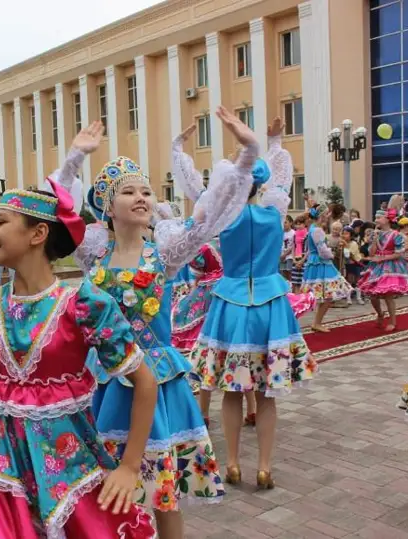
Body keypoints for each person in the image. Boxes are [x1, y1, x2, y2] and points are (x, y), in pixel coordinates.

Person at [0, 157, 158, 539]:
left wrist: (129, 465)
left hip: (69, 467)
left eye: (1, 222)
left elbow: (145, 383)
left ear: (37, 235)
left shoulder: (84, 305)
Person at [68, 109, 258, 538]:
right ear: (107, 206)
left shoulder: (166, 253)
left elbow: (210, 216)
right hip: (102, 383)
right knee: (104, 492)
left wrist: (249, 154)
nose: (141, 197)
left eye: (147, 191)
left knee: (161, 491)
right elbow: (58, 215)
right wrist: (75, 159)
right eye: (128, 191)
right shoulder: (92, 254)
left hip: (155, 381)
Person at [190, 118, 317, 492]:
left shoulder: (222, 219)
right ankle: (264, 467)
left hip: (230, 305)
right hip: (269, 304)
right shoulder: (273, 212)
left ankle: (231, 463)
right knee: (266, 393)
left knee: (231, 390)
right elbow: (282, 174)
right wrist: (275, 139)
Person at [357, 209, 408, 331]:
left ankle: (393, 321)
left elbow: (398, 254)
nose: (376, 220)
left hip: (391, 266)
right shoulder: (375, 234)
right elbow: (371, 252)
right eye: (375, 218)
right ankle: (380, 314)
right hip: (376, 266)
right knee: (372, 295)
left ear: (387, 219)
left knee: (388, 295)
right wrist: (374, 240)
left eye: (378, 218)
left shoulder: (396, 235)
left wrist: (383, 258)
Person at [299, 204, 352, 332]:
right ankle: (315, 323)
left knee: (323, 295)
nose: (328, 216)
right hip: (321, 263)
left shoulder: (312, 228)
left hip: (314, 262)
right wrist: (331, 254)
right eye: (327, 214)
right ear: (322, 215)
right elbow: (322, 250)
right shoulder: (317, 230)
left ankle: (315, 322)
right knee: (328, 294)